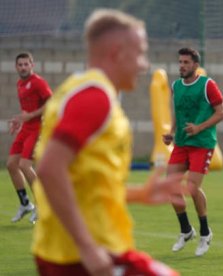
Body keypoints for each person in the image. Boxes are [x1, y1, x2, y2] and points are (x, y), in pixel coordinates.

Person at [32, 9, 184, 276]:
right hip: (83, 256)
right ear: (117, 52)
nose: (144, 64)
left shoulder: (85, 89)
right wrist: (87, 247)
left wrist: (138, 194)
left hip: (75, 251)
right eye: (140, 53)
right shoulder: (94, 97)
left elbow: (83, 182)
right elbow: (49, 169)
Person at [162, 47, 223, 256]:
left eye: (186, 62)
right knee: (170, 185)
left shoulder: (208, 85)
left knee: (191, 188)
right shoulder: (176, 86)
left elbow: (221, 113)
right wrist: (171, 132)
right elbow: (178, 112)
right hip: (181, 143)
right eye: (180, 62)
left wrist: (199, 127)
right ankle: (186, 230)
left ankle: (205, 233)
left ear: (195, 65)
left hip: (202, 143)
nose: (182, 66)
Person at [7, 52, 53, 224]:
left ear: (32, 65)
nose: (23, 67)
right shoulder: (20, 84)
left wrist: (31, 115)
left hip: (38, 129)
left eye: (26, 64)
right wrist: (19, 120)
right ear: (16, 67)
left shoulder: (38, 83)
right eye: (20, 65)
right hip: (25, 129)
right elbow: (27, 110)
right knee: (11, 164)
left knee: (25, 165)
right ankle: (26, 205)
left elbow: (51, 102)